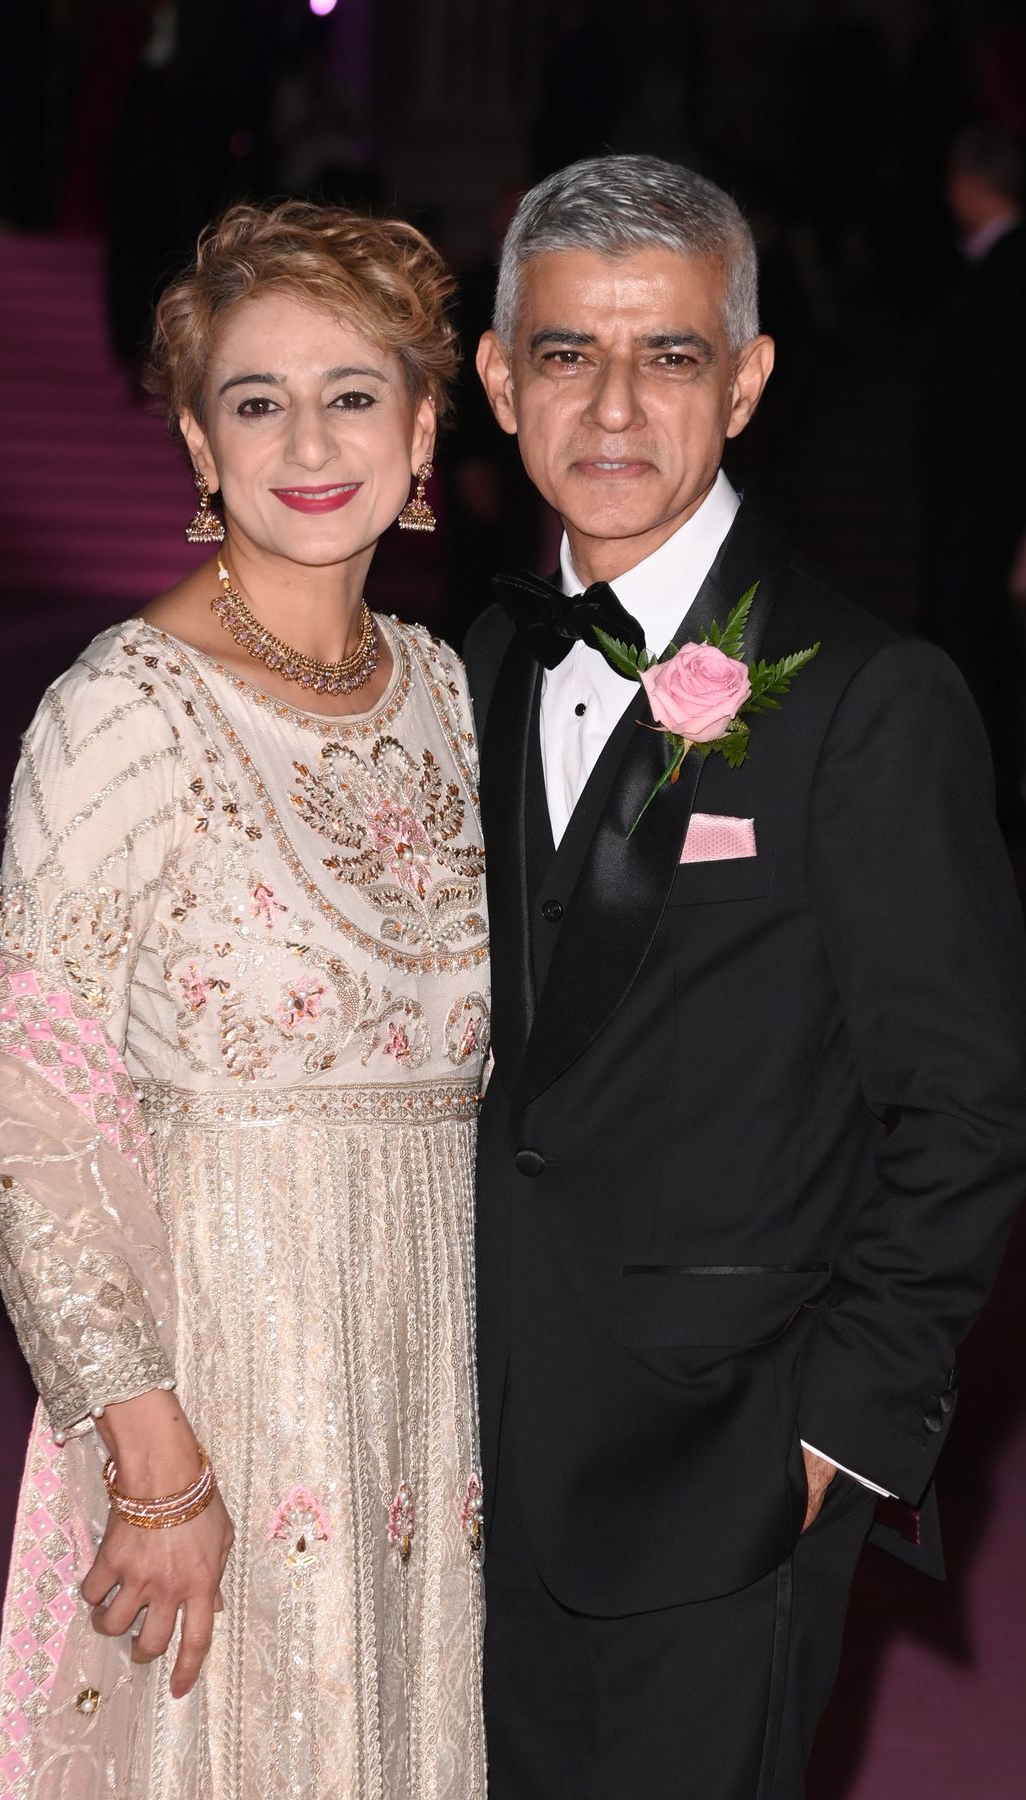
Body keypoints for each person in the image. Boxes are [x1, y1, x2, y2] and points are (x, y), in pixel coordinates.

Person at [465, 153, 1026, 1799]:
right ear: (501, 381)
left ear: (750, 378)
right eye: (568, 352)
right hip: (479, 1445)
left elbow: (969, 1106)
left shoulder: (873, 698)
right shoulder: (492, 658)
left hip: (721, 1476)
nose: (616, 404)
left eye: (673, 353)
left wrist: (832, 1440)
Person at [0, 200, 489, 1800]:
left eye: (353, 392)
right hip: (220, 1378)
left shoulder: (449, 692)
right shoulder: (124, 707)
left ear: (425, 424)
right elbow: (12, 1101)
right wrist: (153, 1455)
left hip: (424, 1381)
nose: (309, 439)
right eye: (257, 400)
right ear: (197, 438)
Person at [918, 124, 1026, 826]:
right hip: (982, 508)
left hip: (991, 511)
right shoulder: (995, 269)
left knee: (984, 653)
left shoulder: (1011, 273)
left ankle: (989, 797)